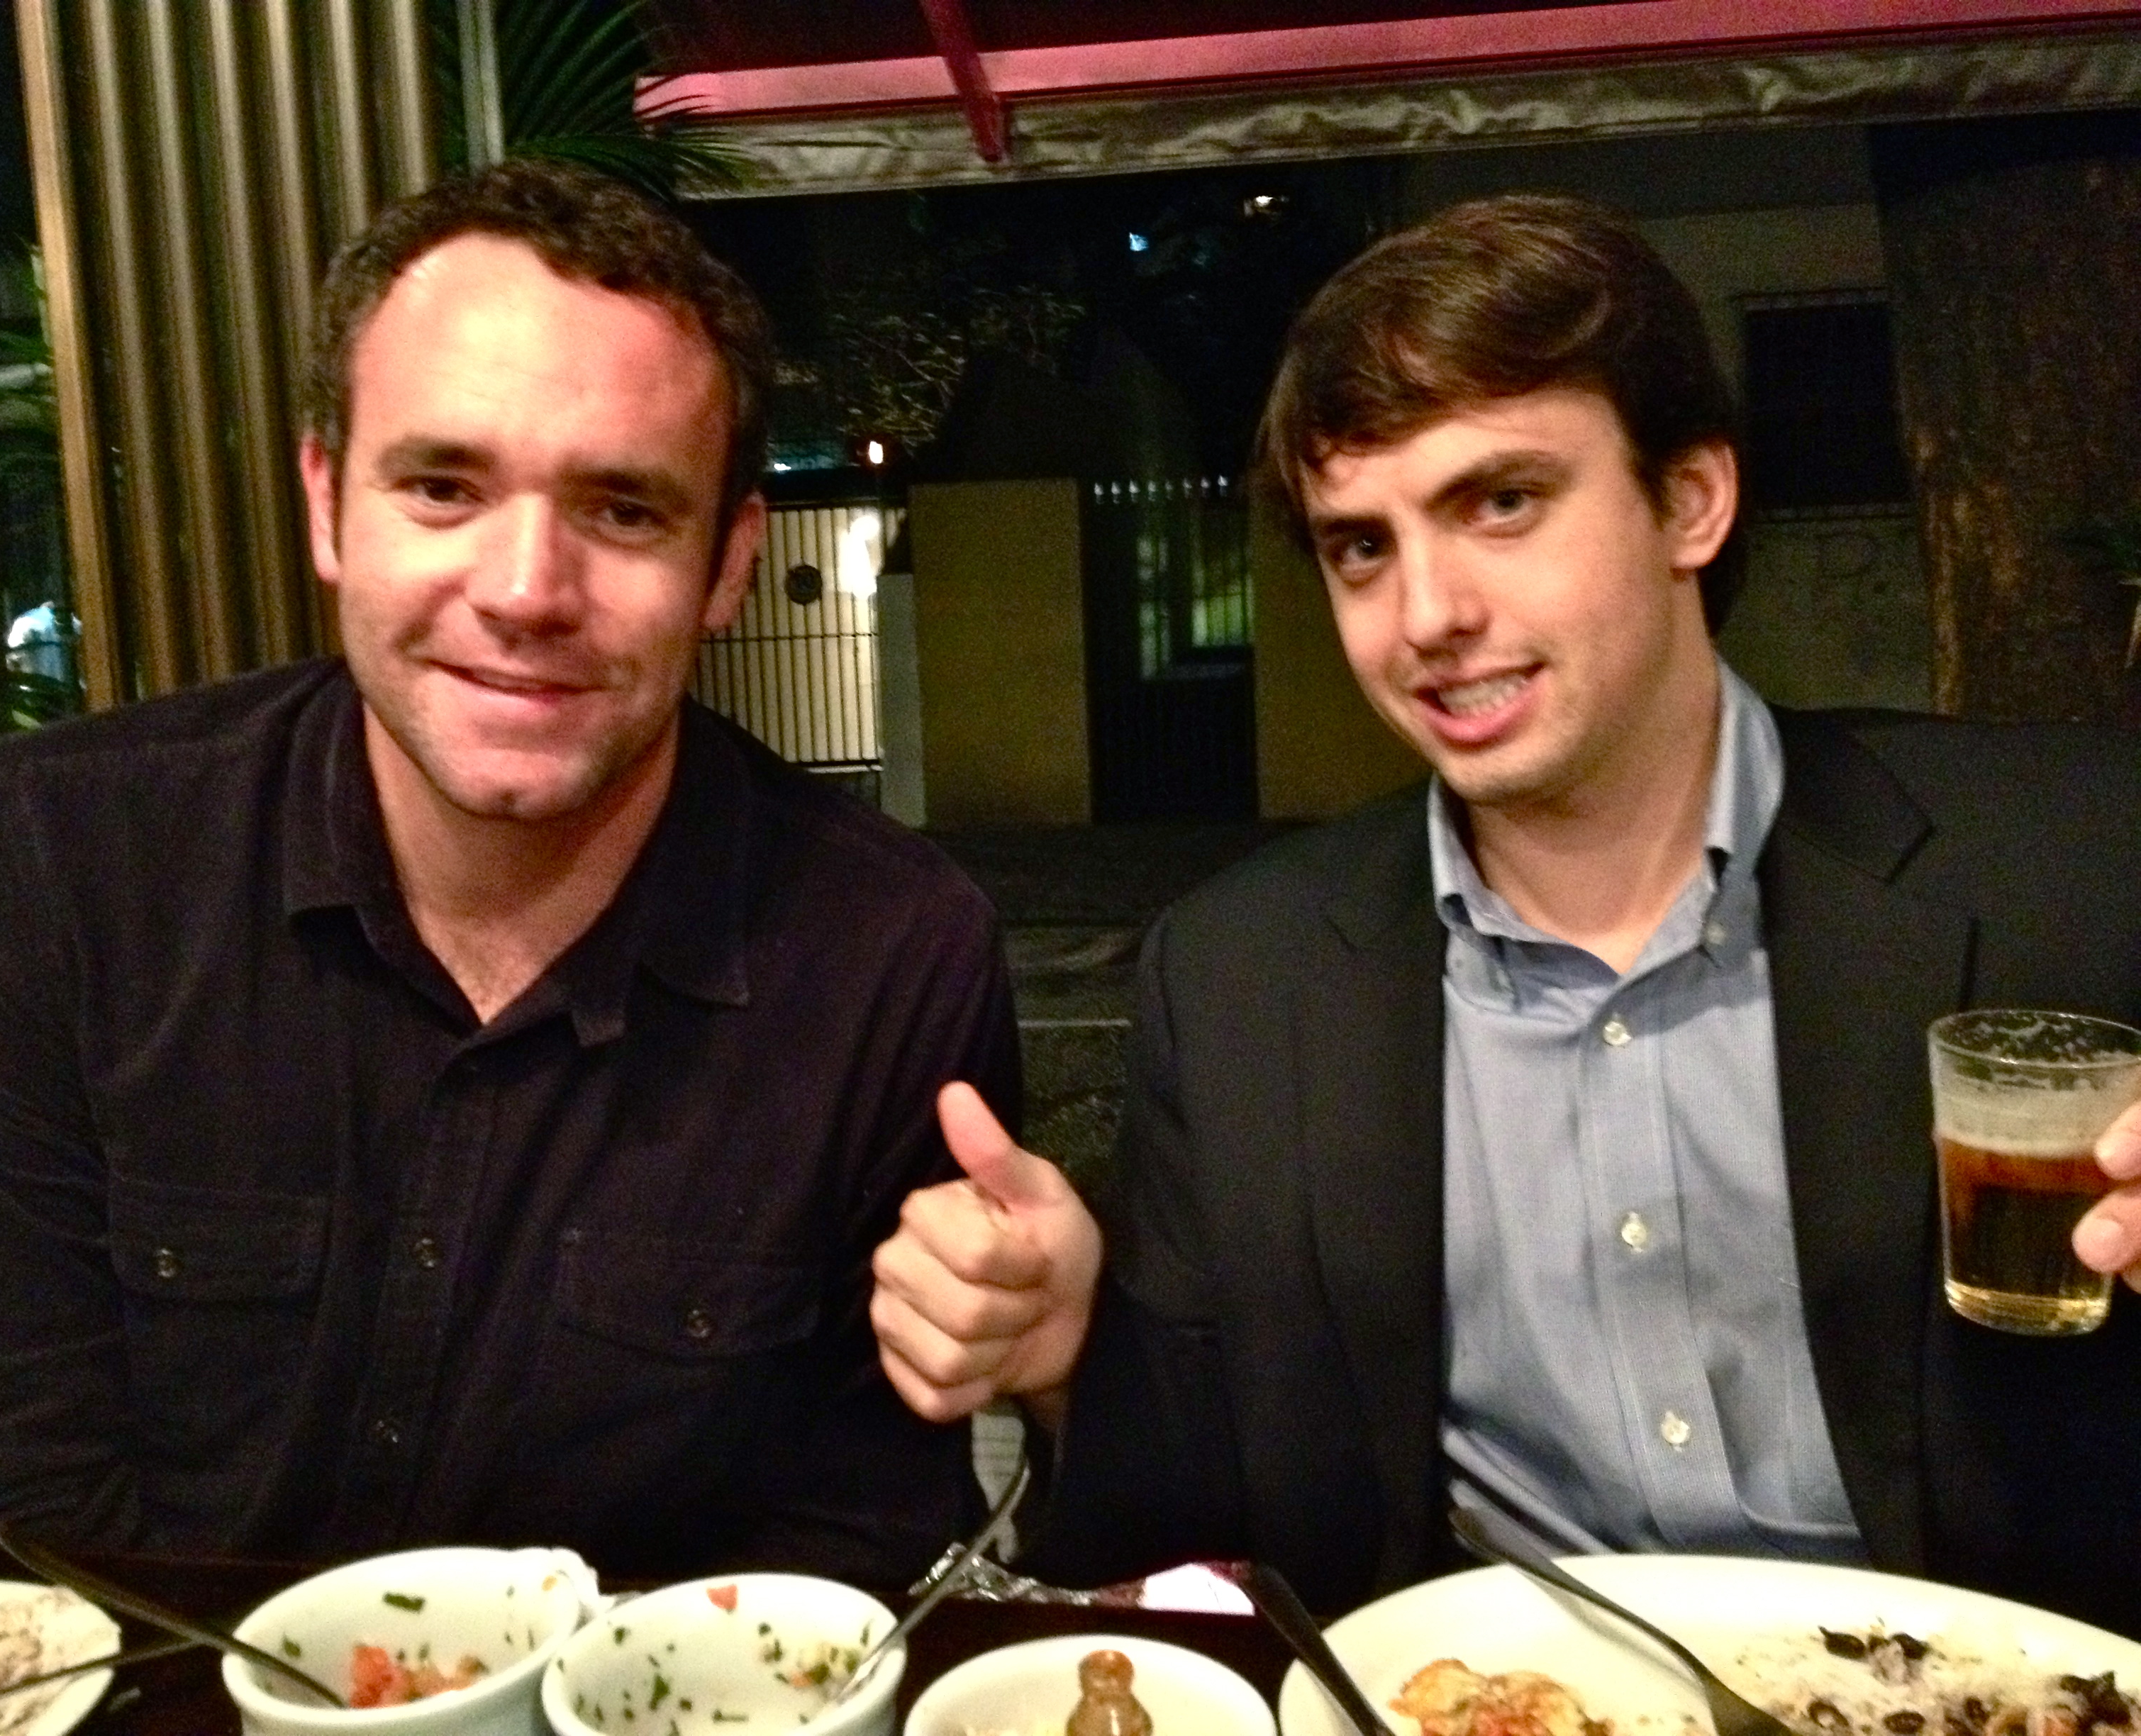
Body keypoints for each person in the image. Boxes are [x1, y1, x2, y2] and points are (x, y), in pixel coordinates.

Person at [869, 194, 2141, 1634]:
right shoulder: (1239, 984)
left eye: (1502, 502)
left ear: (1690, 500)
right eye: (1362, 547)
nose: (1427, 614)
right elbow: (1199, 1522)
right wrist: (1064, 1360)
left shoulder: (2080, 868)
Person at [0, 157, 1021, 1585]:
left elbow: (853, 1549)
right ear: (328, 504)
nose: (525, 591)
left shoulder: (888, 953)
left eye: (625, 511)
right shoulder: (56, 862)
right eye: (444, 486)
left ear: (727, 565)